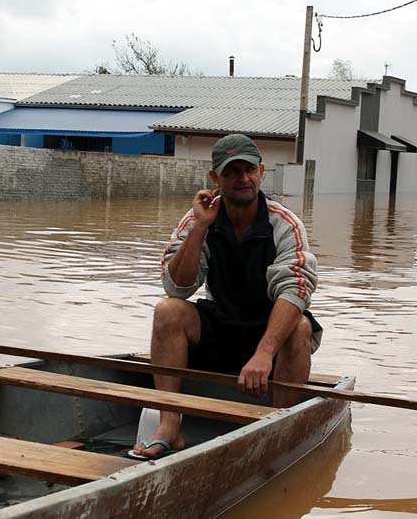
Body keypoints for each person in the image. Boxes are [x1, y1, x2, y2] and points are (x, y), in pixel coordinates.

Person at [131, 133, 322, 459]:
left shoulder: (284, 224)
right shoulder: (198, 219)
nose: (242, 178)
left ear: (261, 172)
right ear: (215, 178)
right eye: (232, 172)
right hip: (221, 328)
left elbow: (295, 289)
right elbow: (177, 288)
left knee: (301, 327)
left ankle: (278, 429)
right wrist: (201, 227)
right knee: (168, 311)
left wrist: (264, 353)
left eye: (248, 169)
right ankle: (169, 425)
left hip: (269, 334)